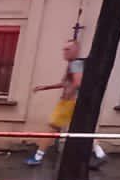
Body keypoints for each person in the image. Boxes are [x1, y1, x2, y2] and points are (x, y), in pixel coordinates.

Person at [27, 40, 105, 169]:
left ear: (75, 51)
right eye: (64, 49)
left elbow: (77, 82)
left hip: (69, 103)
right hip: (74, 102)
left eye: (68, 49)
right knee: (82, 129)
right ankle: (100, 153)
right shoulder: (73, 64)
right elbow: (66, 83)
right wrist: (45, 87)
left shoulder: (75, 64)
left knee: (52, 128)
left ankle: (37, 157)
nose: (64, 52)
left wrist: (68, 96)